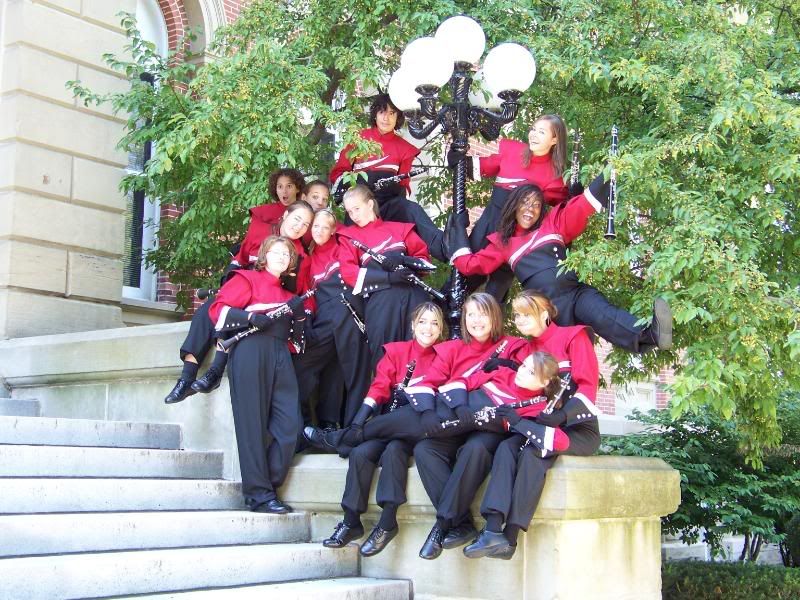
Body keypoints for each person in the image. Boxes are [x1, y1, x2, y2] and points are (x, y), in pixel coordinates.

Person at [304, 292, 527, 556]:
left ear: (495, 317)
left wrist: (495, 373)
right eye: (471, 315)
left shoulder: (514, 346)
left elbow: (522, 379)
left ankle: (341, 439)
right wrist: (431, 410)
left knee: (408, 437)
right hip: (452, 418)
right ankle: (460, 523)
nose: (476, 320)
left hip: (484, 420)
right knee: (423, 449)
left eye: (483, 314)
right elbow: (430, 383)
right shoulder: (453, 348)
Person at [448, 178, 672, 354]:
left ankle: (651, 335)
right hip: (550, 309)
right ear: (514, 206)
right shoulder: (503, 243)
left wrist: (611, 168)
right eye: (525, 203)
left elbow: (584, 205)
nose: (530, 209)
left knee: (605, 315)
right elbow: (468, 265)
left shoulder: (553, 223)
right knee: (563, 355)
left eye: (536, 205)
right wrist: (458, 229)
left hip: (575, 292)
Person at [462, 291, 602, 559]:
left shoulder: (573, 336)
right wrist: (504, 365)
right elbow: (518, 385)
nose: (519, 320)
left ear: (545, 314)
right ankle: (492, 531)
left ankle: (510, 538)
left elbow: (588, 387)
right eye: (517, 315)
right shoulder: (525, 349)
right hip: (538, 423)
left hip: (575, 427)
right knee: (506, 448)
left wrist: (563, 416)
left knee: (532, 453)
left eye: (526, 314)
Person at [322, 302, 445, 557]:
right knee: (360, 453)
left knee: (394, 452)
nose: (428, 328)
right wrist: (359, 420)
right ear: (413, 326)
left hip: (414, 429)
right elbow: (379, 387)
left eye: (435, 323)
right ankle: (351, 521)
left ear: (441, 329)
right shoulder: (397, 350)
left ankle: (387, 522)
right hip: (387, 422)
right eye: (422, 322)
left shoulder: (443, 357)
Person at [164, 201, 314, 404]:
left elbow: (296, 290)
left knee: (236, 312)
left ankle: (216, 371)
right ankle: (186, 377)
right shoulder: (259, 233)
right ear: (286, 215)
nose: (299, 226)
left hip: (266, 303)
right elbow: (240, 259)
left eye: (305, 224)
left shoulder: (302, 256)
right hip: (244, 286)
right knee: (206, 312)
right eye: (297, 219)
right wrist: (230, 283)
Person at [207, 235, 307, 514]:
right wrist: (249, 318)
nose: (281, 257)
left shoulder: (289, 296)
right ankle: (259, 495)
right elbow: (217, 311)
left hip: (281, 355)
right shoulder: (246, 279)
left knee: (290, 425)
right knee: (252, 425)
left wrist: (299, 318)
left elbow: (297, 344)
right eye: (276, 252)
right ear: (264, 255)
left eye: (286, 254)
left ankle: (266, 485)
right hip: (249, 351)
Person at [454, 114, 572, 299]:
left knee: (495, 297)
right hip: (486, 227)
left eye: (542, 132)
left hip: (513, 241)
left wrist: (574, 194)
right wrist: (458, 160)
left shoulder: (556, 177)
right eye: (533, 129)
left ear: (555, 139)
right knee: (459, 285)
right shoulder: (513, 151)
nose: (534, 134)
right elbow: (480, 167)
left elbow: (564, 219)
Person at [330, 94, 447, 261]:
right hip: (358, 205)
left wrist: (393, 187)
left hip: (388, 205)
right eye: (382, 112)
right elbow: (337, 175)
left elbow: (404, 186)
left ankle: (446, 248)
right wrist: (361, 184)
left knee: (412, 209)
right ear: (375, 114)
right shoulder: (357, 140)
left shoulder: (405, 148)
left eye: (392, 113)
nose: (386, 118)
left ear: (398, 117)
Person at [336, 185, 433, 370]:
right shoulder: (349, 237)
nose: (353, 215)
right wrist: (388, 278)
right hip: (381, 302)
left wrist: (405, 261)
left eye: (357, 208)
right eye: (349, 211)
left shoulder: (400, 228)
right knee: (385, 358)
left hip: (414, 296)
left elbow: (424, 259)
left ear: (370, 204)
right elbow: (349, 273)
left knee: (421, 353)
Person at [293, 209, 371, 430]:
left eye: (325, 227)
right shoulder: (308, 260)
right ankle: (304, 425)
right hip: (324, 319)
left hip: (351, 313)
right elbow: (307, 296)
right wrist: (307, 319)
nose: (319, 231)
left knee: (350, 371)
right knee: (303, 365)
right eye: (315, 226)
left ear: (333, 230)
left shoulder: (342, 245)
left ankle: (348, 429)